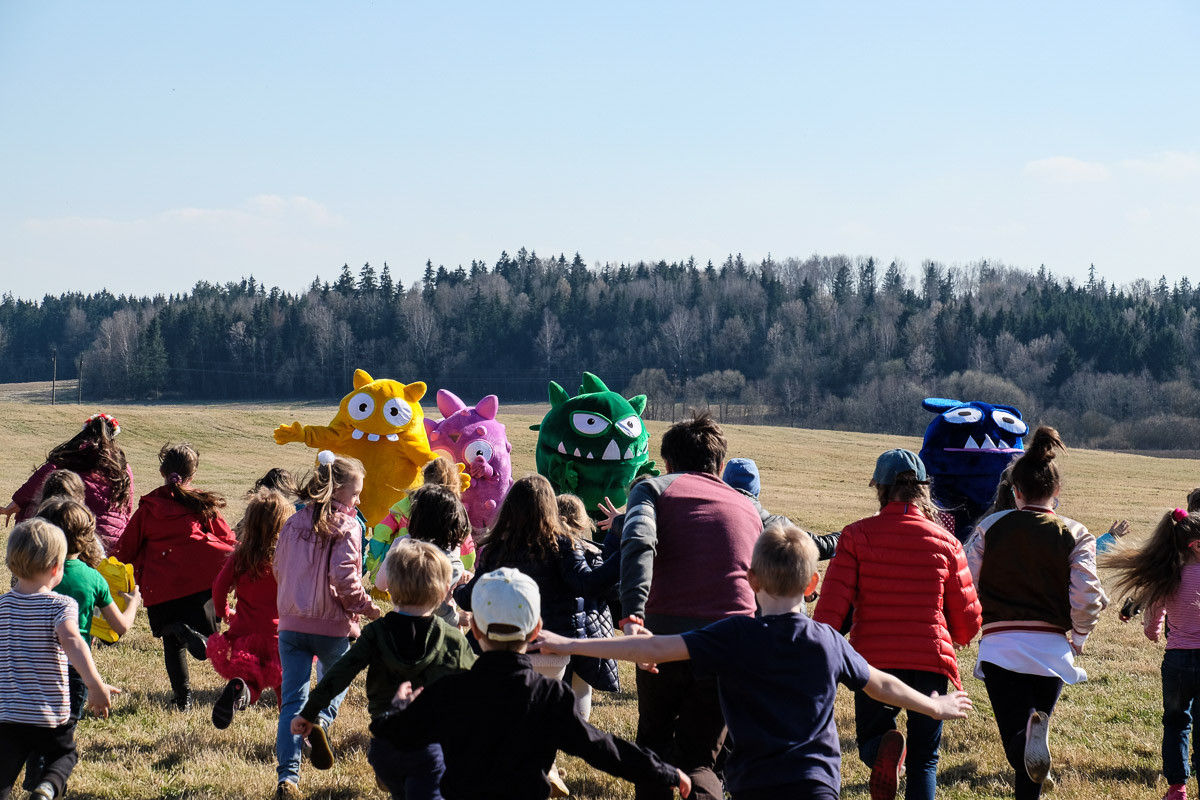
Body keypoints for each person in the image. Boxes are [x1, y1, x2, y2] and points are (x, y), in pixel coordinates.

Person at [539, 523, 974, 800]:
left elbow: (651, 649)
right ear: (812, 584)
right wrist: (935, 706)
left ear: (750, 580)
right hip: (817, 785)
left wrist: (568, 643)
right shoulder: (827, 641)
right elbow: (881, 684)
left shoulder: (733, 636)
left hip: (755, 786)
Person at [371, 567, 691, 800]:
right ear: (536, 629)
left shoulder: (448, 687)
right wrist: (662, 770)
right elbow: (602, 748)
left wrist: (399, 704)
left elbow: (395, 734)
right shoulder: (550, 695)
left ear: (477, 631)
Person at [814, 448, 981, 800]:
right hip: (929, 659)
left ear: (881, 488)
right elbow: (967, 623)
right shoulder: (947, 543)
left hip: (873, 660)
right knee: (926, 760)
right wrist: (956, 634)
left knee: (871, 741)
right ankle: (902, 758)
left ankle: (884, 754)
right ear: (923, 490)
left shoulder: (856, 536)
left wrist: (821, 647)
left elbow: (831, 609)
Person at [617, 412, 764, 800]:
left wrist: (633, 612)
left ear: (667, 463)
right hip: (730, 641)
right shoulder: (749, 505)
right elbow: (798, 541)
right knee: (700, 759)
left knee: (652, 741)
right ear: (719, 465)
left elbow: (639, 542)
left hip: (662, 633)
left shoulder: (651, 489)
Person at [966, 426, 1106, 800]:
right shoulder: (1075, 532)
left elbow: (967, 584)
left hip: (1000, 646)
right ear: (1056, 492)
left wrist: (971, 625)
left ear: (1015, 491)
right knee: (1031, 750)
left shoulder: (989, 528)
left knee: (1020, 745)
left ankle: (1026, 743)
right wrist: (1078, 638)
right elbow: (1088, 595)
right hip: (1052, 652)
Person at [455, 474, 616, 795]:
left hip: (505, 647)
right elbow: (586, 583)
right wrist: (624, 553)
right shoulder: (564, 544)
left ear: (509, 510)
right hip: (553, 648)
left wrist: (459, 588)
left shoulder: (497, 549)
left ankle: (518, 764)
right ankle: (546, 763)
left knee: (507, 710)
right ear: (549, 509)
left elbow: (471, 595)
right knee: (548, 705)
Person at [291, 539, 476, 800]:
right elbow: (478, 687)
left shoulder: (376, 633)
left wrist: (310, 712)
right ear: (445, 590)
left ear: (389, 588)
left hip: (385, 745)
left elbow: (340, 672)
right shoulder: (452, 639)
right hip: (430, 745)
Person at [272, 450, 381, 799]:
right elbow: (346, 579)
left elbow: (279, 568)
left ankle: (287, 778)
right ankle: (317, 724)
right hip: (331, 626)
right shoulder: (347, 526)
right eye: (356, 493)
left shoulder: (291, 523)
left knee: (292, 700)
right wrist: (366, 609)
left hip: (290, 624)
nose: (358, 499)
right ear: (337, 492)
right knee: (337, 682)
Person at [0, 519, 120, 800]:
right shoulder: (61, 605)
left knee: (3, 772)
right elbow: (73, 641)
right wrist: (94, 684)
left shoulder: (3, 605)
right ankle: (47, 787)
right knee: (65, 755)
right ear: (57, 568)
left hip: (7, 715)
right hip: (49, 716)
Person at [113, 442, 236, 711]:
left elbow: (126, 549)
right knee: (208, 643)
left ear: (161, 471)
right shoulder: (202, 503)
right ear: (193, 474)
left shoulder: (148, 508)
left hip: (162, 586)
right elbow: (227, 538)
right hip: (201, 583)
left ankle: (183, 700)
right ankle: (195, 639)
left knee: (172, 643)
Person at [1103, 508, 1200, 800]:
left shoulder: (1167, 575)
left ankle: (1177, 787)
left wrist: (1154, 632)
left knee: (1175, 723)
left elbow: (1154, 613)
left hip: (1177, 662)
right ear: (1196, 545)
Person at [208, 488, 292, 728]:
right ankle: (291, 732)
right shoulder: (287, 558)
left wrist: (225, 612)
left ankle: (240, 691)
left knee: (251, 683)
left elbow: (218, 588)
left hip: (244, 634)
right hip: (280, 637)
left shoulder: (241, 555)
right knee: (285, 689)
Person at [3, 413, 134, 553]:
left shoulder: (68, 459)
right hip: (109, 544)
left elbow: (36, 484)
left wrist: (15, 504)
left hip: (72, 538)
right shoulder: (122, 468)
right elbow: (126, 508)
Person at [556, 493, 620, 713]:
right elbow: (613, 590)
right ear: (583, 522)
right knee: (582, 683)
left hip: (553, 631)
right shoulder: (591, 553)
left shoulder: (542, 550)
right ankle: (579, 728)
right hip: (588, 633)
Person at [379, 484, 472, 628]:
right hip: (441, 630)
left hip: (401, 625)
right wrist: (455, 618)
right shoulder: (450, 553)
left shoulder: (401, 544)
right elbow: (435, 603)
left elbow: (380, 583)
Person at [721, 457, 841, 560]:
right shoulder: (776, 526)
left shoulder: (709, 515)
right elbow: (819, 547)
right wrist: (845, 535)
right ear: (756, 488)